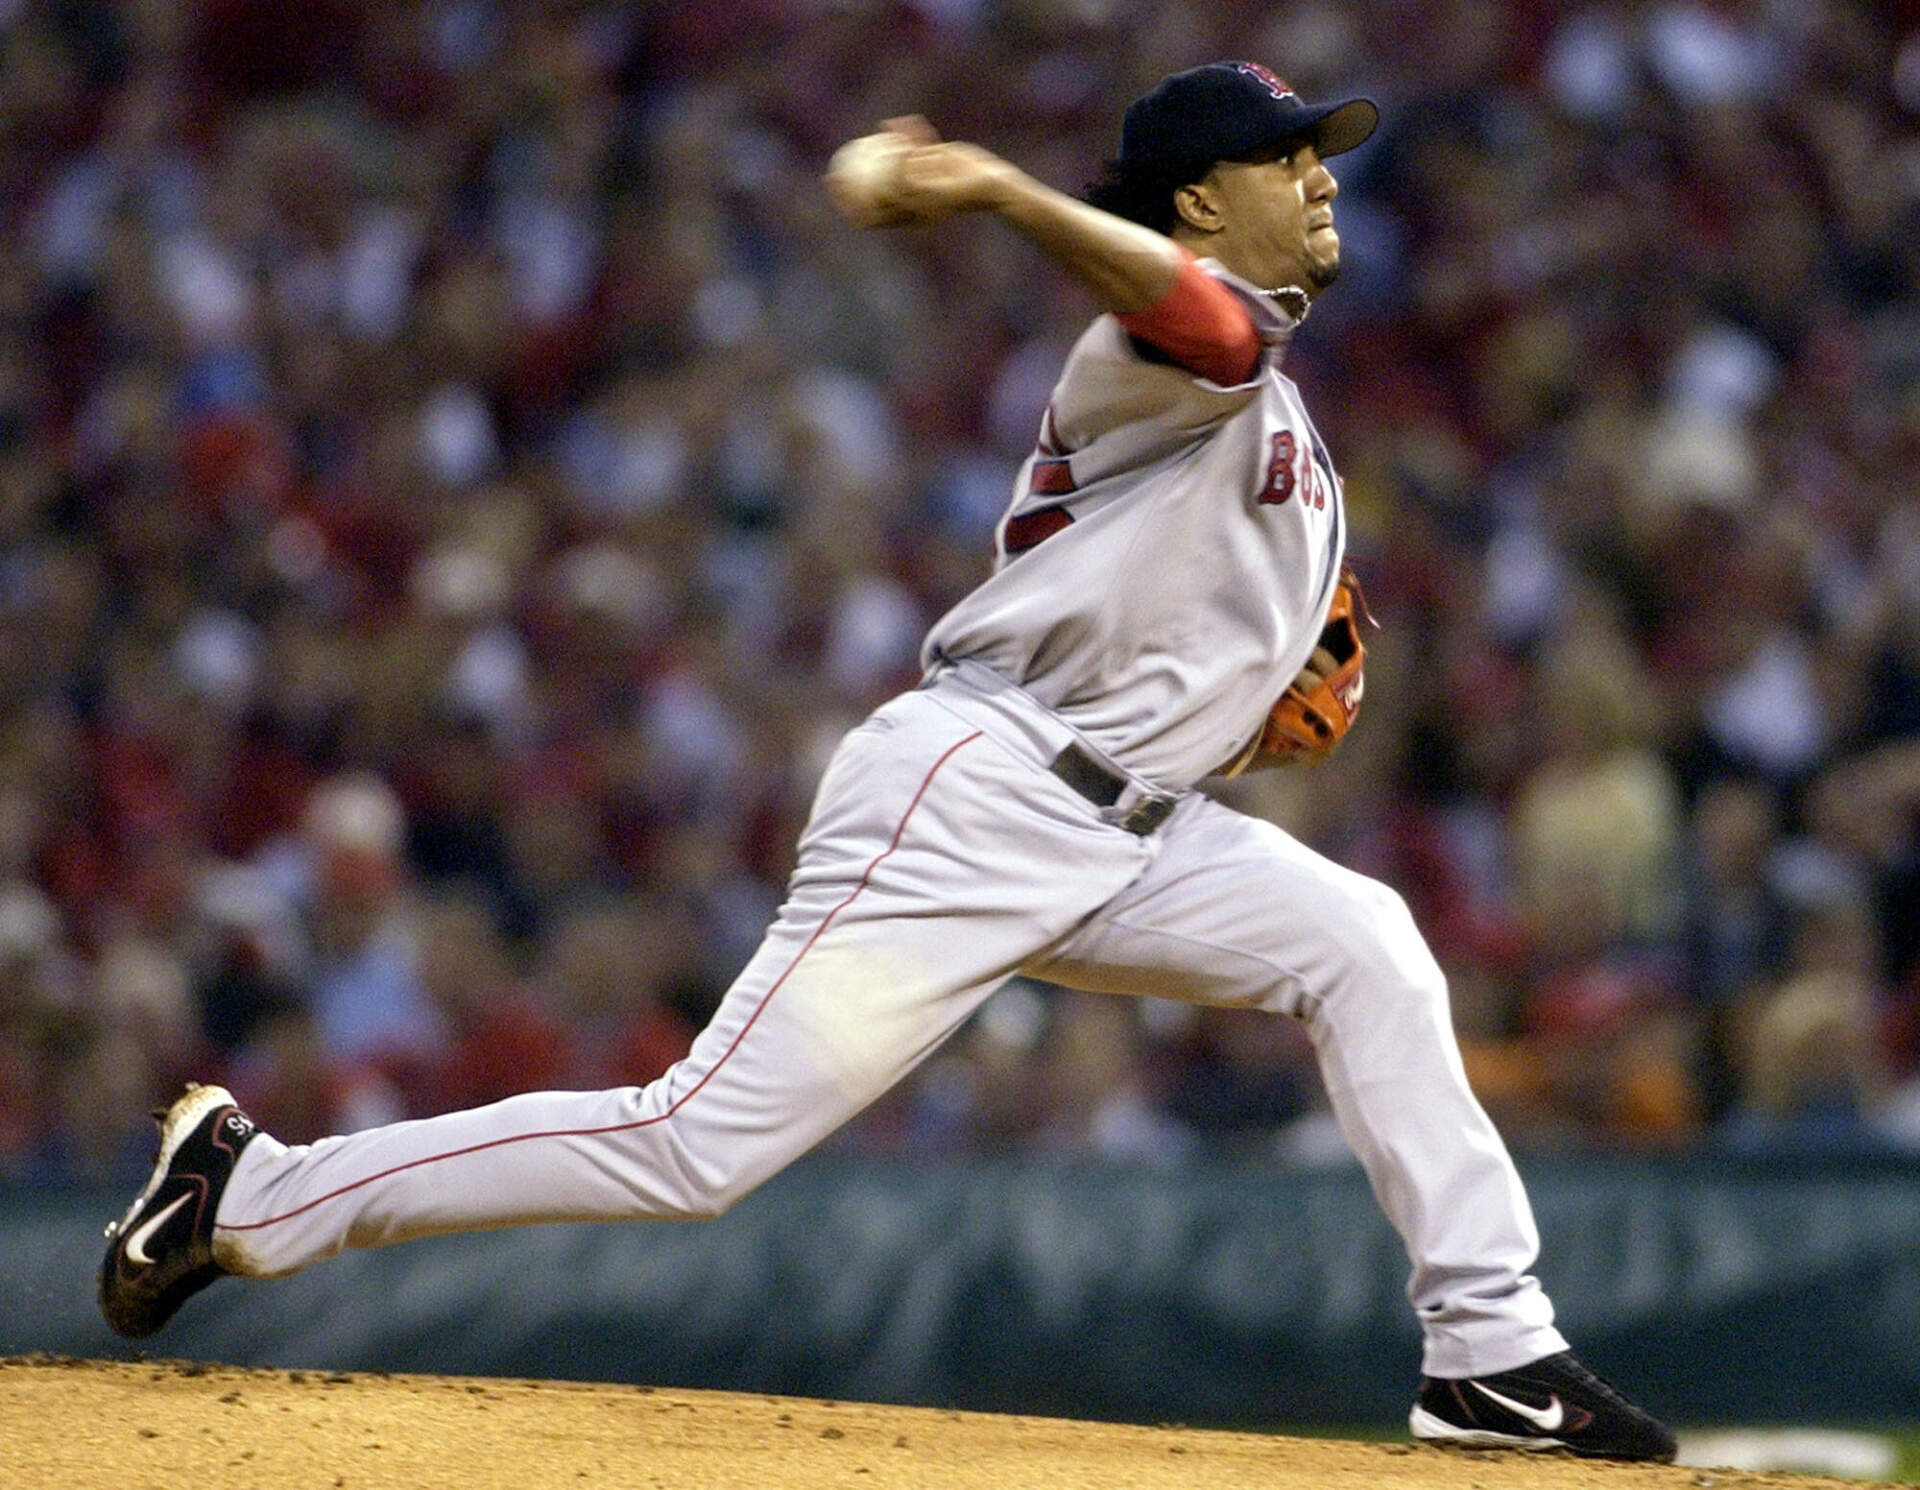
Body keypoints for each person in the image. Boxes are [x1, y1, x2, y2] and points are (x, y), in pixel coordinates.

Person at [99, 62, 1676, 1463]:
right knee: (691, 1144)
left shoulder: (1279, 416)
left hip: (1135, 828)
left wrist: (1256, 697)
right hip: (975, 797)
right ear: (1202, 197)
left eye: (1321, 152)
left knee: (1369, 948)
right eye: (1288, 157)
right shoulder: (1157, 345)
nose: (1323, 176)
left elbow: (1223, 613)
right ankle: (253, 1186)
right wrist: (993, 184)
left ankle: (1493, 1358)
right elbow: (1196, 314)